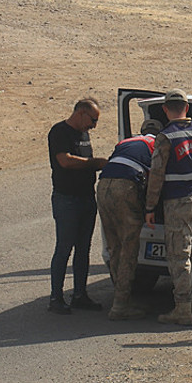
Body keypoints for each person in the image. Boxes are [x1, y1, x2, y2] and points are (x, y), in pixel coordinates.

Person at [144, 89, 192, 326]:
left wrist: (149, 206)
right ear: (187, 108)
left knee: (179, 256)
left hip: (178, 201)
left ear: (166, 110)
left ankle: (182, 308)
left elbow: (156, 174)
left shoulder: (165, 137)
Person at [47, 98, 108, 315]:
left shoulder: (84, 134)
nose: (93, 125)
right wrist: (96, 163)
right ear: (81, 113)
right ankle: (56, 297)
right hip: (67, 199)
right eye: (92, 119)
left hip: (86, 198)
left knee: (83, 249)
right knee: (64, 247)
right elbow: (65, 161)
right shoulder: (60, 132)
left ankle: (80, 295)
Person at [97, 119, 163, 320]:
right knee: (129, 247)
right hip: (126, 187)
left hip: (103, 186)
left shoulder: (125, 142)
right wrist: (151, 207)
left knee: (114, 245)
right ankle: (121, 305)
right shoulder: (157, 145)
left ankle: (120, 297)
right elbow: (157, 178)